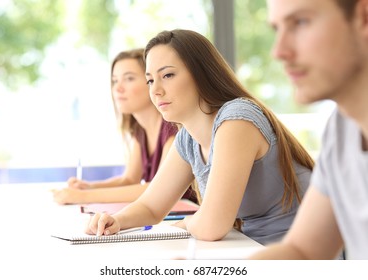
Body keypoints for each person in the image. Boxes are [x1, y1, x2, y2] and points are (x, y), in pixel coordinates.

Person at [84, 29, 314, 245]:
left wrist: (185, 222)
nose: (155, 90)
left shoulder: (237, 120)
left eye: (168, 75)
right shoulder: (188, 138)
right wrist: (118, 220)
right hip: (256, 248)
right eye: (151, 80)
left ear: (200, 74)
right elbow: (151, 207)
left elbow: (211, 226)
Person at [249, 0, 368, 259]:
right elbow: (303, 251)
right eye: (277, 29)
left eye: (300, 23)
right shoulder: (342, 127)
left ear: (364, 17)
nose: (278, 51)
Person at [52, 48, 196, 204]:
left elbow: (157, 190)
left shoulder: (174, 129)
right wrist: (88, 187)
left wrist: (81, 197)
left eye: (129, 79)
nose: (117, 88)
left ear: (150, 81)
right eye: (114, 81)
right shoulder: (140, 131)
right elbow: (129, 180)